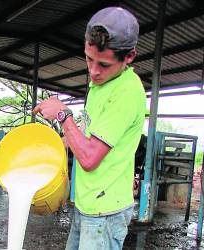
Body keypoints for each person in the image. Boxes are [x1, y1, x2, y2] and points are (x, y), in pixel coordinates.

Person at [34, 7, 146, 250]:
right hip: (88, 204)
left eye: (104, 64)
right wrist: (53, 147)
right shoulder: (101, 83)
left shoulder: (126, 91)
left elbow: (89, 158)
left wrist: (63, 115)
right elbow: (88, 131)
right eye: (88, 58)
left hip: (105, 213)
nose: (93, 71)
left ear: (129, 57)